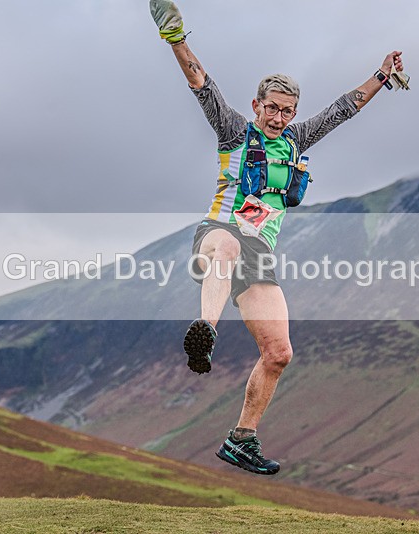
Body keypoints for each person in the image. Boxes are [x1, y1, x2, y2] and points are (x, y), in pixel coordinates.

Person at [150, 0, 405, 475]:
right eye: (272, 108)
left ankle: (241, 439)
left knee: (279, 352)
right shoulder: (234, 131)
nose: (279, 118)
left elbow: (343, 108)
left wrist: (382, 74)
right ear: (256, 106)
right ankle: (205, 333)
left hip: (259, 254)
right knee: (226, 246)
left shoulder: (296, 140)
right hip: (218, 234)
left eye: (287, 111)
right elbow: (201, 84)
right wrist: (176, 38)